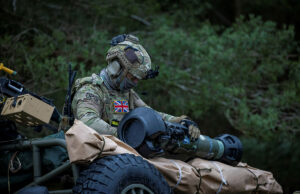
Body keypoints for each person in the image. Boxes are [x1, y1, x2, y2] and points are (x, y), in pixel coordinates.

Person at [71, 34, 200, 140]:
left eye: (138, 79)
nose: (135, 83)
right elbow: (88, 122)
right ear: (116, 68)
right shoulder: (90, 90)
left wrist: (179, 121)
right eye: (132, 77)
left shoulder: (127, 93)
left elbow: (150, 114)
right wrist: (126, 136)